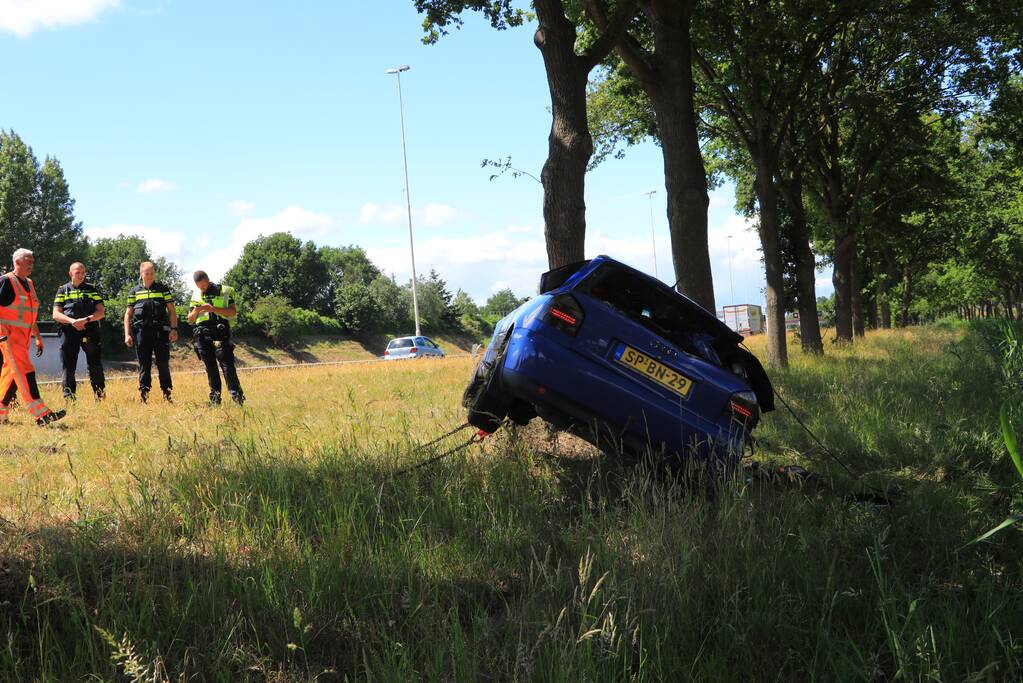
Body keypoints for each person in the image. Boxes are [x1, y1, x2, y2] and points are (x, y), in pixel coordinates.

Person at [0, 248, 66, 426]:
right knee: (25, 372)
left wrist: (37, 337)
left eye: (32, 261)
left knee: (11, 376)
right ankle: (42, 415)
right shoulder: (6, 281)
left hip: (23, 339)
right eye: (28, 261)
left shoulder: (29, 283)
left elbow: (29, 315)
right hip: (9, 338)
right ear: (17, 262)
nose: (32, 264)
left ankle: (0, 414)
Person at [188, 270, 244, 405]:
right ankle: (215, 401)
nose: (202, 288)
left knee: (227, 366)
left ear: (207, 279)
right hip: (202, 335)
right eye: (199, 286)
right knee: (211, 369)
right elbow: (190, 320)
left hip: (220, 332)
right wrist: (196, 310)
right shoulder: (195, 294)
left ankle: (237, 399)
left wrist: (213, 309)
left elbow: (232, 312)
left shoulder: (224, 290)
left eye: (203, 285)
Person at [124, 261, 177, 402]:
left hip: (160, 332)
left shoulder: (163, 289)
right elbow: (128, 315)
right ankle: (144, 396)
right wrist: (127, 334)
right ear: (141, 274)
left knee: (163, 364)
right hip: (141, 332)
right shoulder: (134, 291)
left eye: (152, 273)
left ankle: (167, 395)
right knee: (144, 365)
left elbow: (171, 311)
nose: (150, 276)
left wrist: (174, 329)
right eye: (147, 273)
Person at [52, 262, 106, 400]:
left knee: (95, 366)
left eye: (83, 272)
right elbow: (56, 314)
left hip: (90, 331)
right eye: (78, 272)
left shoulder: (92, 289)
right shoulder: (63, 289)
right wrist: (72, 322)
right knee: (68, 367)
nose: (81, 275)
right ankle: (69, 400)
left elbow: (101, 312)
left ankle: (100, 398)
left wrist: (86, 320)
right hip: (69, 332)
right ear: (71, 273)